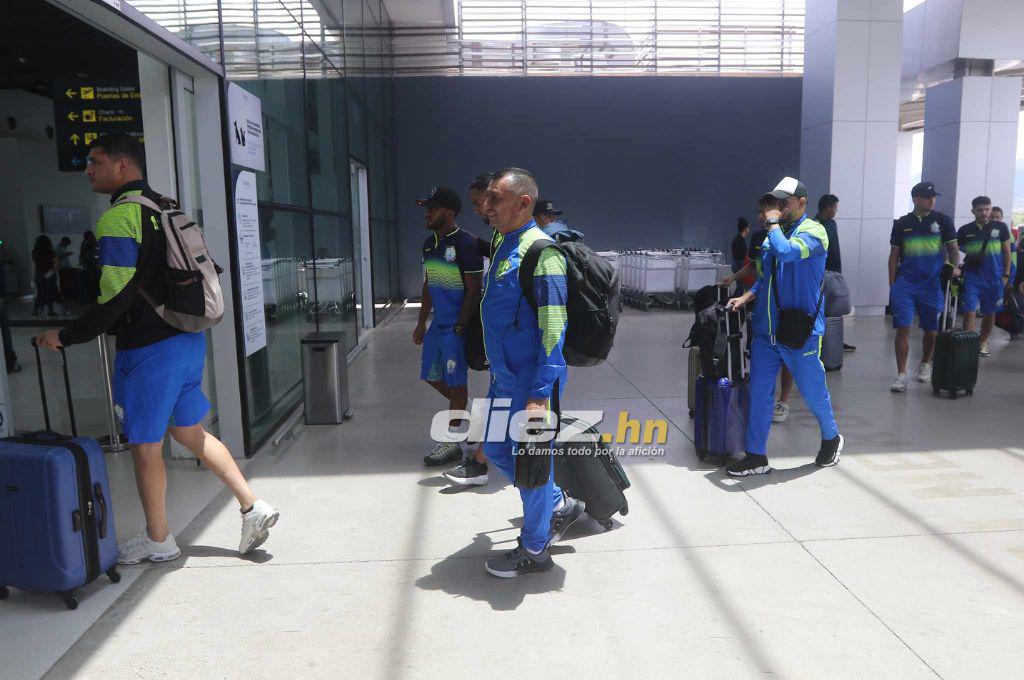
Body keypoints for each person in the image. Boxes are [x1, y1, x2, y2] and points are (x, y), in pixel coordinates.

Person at [35, 133, 279, 565]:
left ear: (122, 167)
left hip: (148, 350)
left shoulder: (118, 218)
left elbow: (116, 296)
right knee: (191, 432)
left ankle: (159, 539)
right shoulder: (165, 207)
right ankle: (252, 506)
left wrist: (65, 335)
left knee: (145, 446)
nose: (88, 170)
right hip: (186, 341)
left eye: (95, 162)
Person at [478, 167, 584, 577]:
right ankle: (556, 503)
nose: (486, 208)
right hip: (504, 376)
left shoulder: (543, 253)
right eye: (486, 199)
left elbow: (554, 326)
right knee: (497, 447)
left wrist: (541, 390)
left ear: (524, 203)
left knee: (533, 461)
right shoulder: (504, 242)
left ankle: (536, 548)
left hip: (533, 381)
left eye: (495, 200)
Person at [726, 177, 843, 476]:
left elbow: (789, 253)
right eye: (774, 204)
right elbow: (767, 279)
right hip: (767, 331)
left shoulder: (814, 232)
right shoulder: (772, 236)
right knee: (760, 393)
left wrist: (772, 224)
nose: (777, 209)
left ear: (802, 202)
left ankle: (831, 438)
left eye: (784, 203)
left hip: (799, 331)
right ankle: (756, 456)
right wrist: (746, 296)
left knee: (813, 390)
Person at [412, 187, 485, 470]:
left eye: (433, 208)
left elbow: (473, 290)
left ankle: (453, 442)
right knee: (430, 374)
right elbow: (429, 284)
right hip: (437, 326)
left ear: (450, 213)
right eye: (426, 208)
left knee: (457, 383)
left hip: (457, 328)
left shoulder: (466, 244)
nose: (427, 212)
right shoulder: (429, 245)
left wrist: (460, 325)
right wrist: (421, 322)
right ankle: (463, 415)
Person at [443, 173, 495, 486]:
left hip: (519, 346)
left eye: (480, 203)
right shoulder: (502, 239)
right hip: (503, 343)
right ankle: (483, 457)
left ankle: (480, 461)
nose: (477, 210)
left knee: (507, 402)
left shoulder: (531, 245)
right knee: (500, 401)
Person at [722, 196, 794, 424]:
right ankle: (762, 400)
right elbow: (756, 270)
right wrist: (734, 281)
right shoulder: (758, 237)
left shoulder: (791, 236)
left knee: (788, 358)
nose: (761, 216)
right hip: (763, 308)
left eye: (765, 211)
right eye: (760, 211)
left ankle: (784, 401)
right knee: (759, 353)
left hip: (787, 310)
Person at [888, 181, 960, 392]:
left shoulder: (943, 221)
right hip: (906, 284)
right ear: (915, 199)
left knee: (931, 331)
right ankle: (901, 374)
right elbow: (894, 256)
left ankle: (925, 364)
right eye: (927, 197)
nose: (932, 200)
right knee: (903, 327)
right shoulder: (902, 223)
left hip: (932, 285)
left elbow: (954, 250)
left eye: (933, 197)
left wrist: (951, 266)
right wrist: (892, 284)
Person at [957, 196, 1012, 357]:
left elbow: (1007, 251)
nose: (984, 213)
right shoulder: (964, 230)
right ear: (973, 211)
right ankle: (968, 343)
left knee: (990, 312)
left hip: (994, 277)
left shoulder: (1001, 227)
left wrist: (1006, 274)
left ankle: (983, 341)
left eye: (987, 209)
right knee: (969, 311)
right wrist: (955, 267)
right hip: (972, 277)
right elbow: (953, 250)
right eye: (980, 210)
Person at [815, 193, 855, 353]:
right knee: (821, 307)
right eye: (835, 208)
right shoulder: (815, 225)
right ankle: (820, 339)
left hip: (835, 272)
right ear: (828, 207)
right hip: (821, 273)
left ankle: (835, 339)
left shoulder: (832, 224)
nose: (836, 211)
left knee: (836, 305)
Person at [31, 235, 62, 317]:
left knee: (40, 293)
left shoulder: (35, 251)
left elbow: (35, 264)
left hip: (39, 273)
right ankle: (50, 310)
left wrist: (34, 276)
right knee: (49, 293)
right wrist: (52, 271)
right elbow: (56, 262)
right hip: (50, 273)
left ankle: (35, 309)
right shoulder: (50, 251)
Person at [79, 230, 100, 303]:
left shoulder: (84, 243)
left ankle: (89, 298)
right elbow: (95, 254)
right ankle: (94, 298)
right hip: (93, 266)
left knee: (89, 283)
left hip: (88, 266)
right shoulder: (91, 243)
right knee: (95, 282)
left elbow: (83, 255)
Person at [731, 218, 750, 294]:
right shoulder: (739, 239)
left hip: (737, 264)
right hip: (739, 265)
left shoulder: (739, 238)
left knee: (740, 287)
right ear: (745, 228)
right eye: (749, 227)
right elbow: (741, 254)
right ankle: (733, 303)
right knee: (740, 287)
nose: (749, 229)